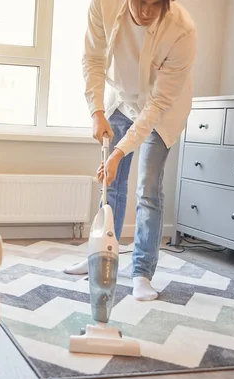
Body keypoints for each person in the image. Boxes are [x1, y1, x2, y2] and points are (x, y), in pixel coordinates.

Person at [64, 0, 197, 302]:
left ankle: (141, 273)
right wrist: (97, 110)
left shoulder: (183, 30)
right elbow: (93, 58)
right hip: (122, 101)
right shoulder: (103, 4)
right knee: (111, 183)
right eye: (141, 1)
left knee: (148, 187)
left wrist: (119, 152)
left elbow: (158, 105)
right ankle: (100, 257)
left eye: (156, 4)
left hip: (162, 110)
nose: (147, 11)